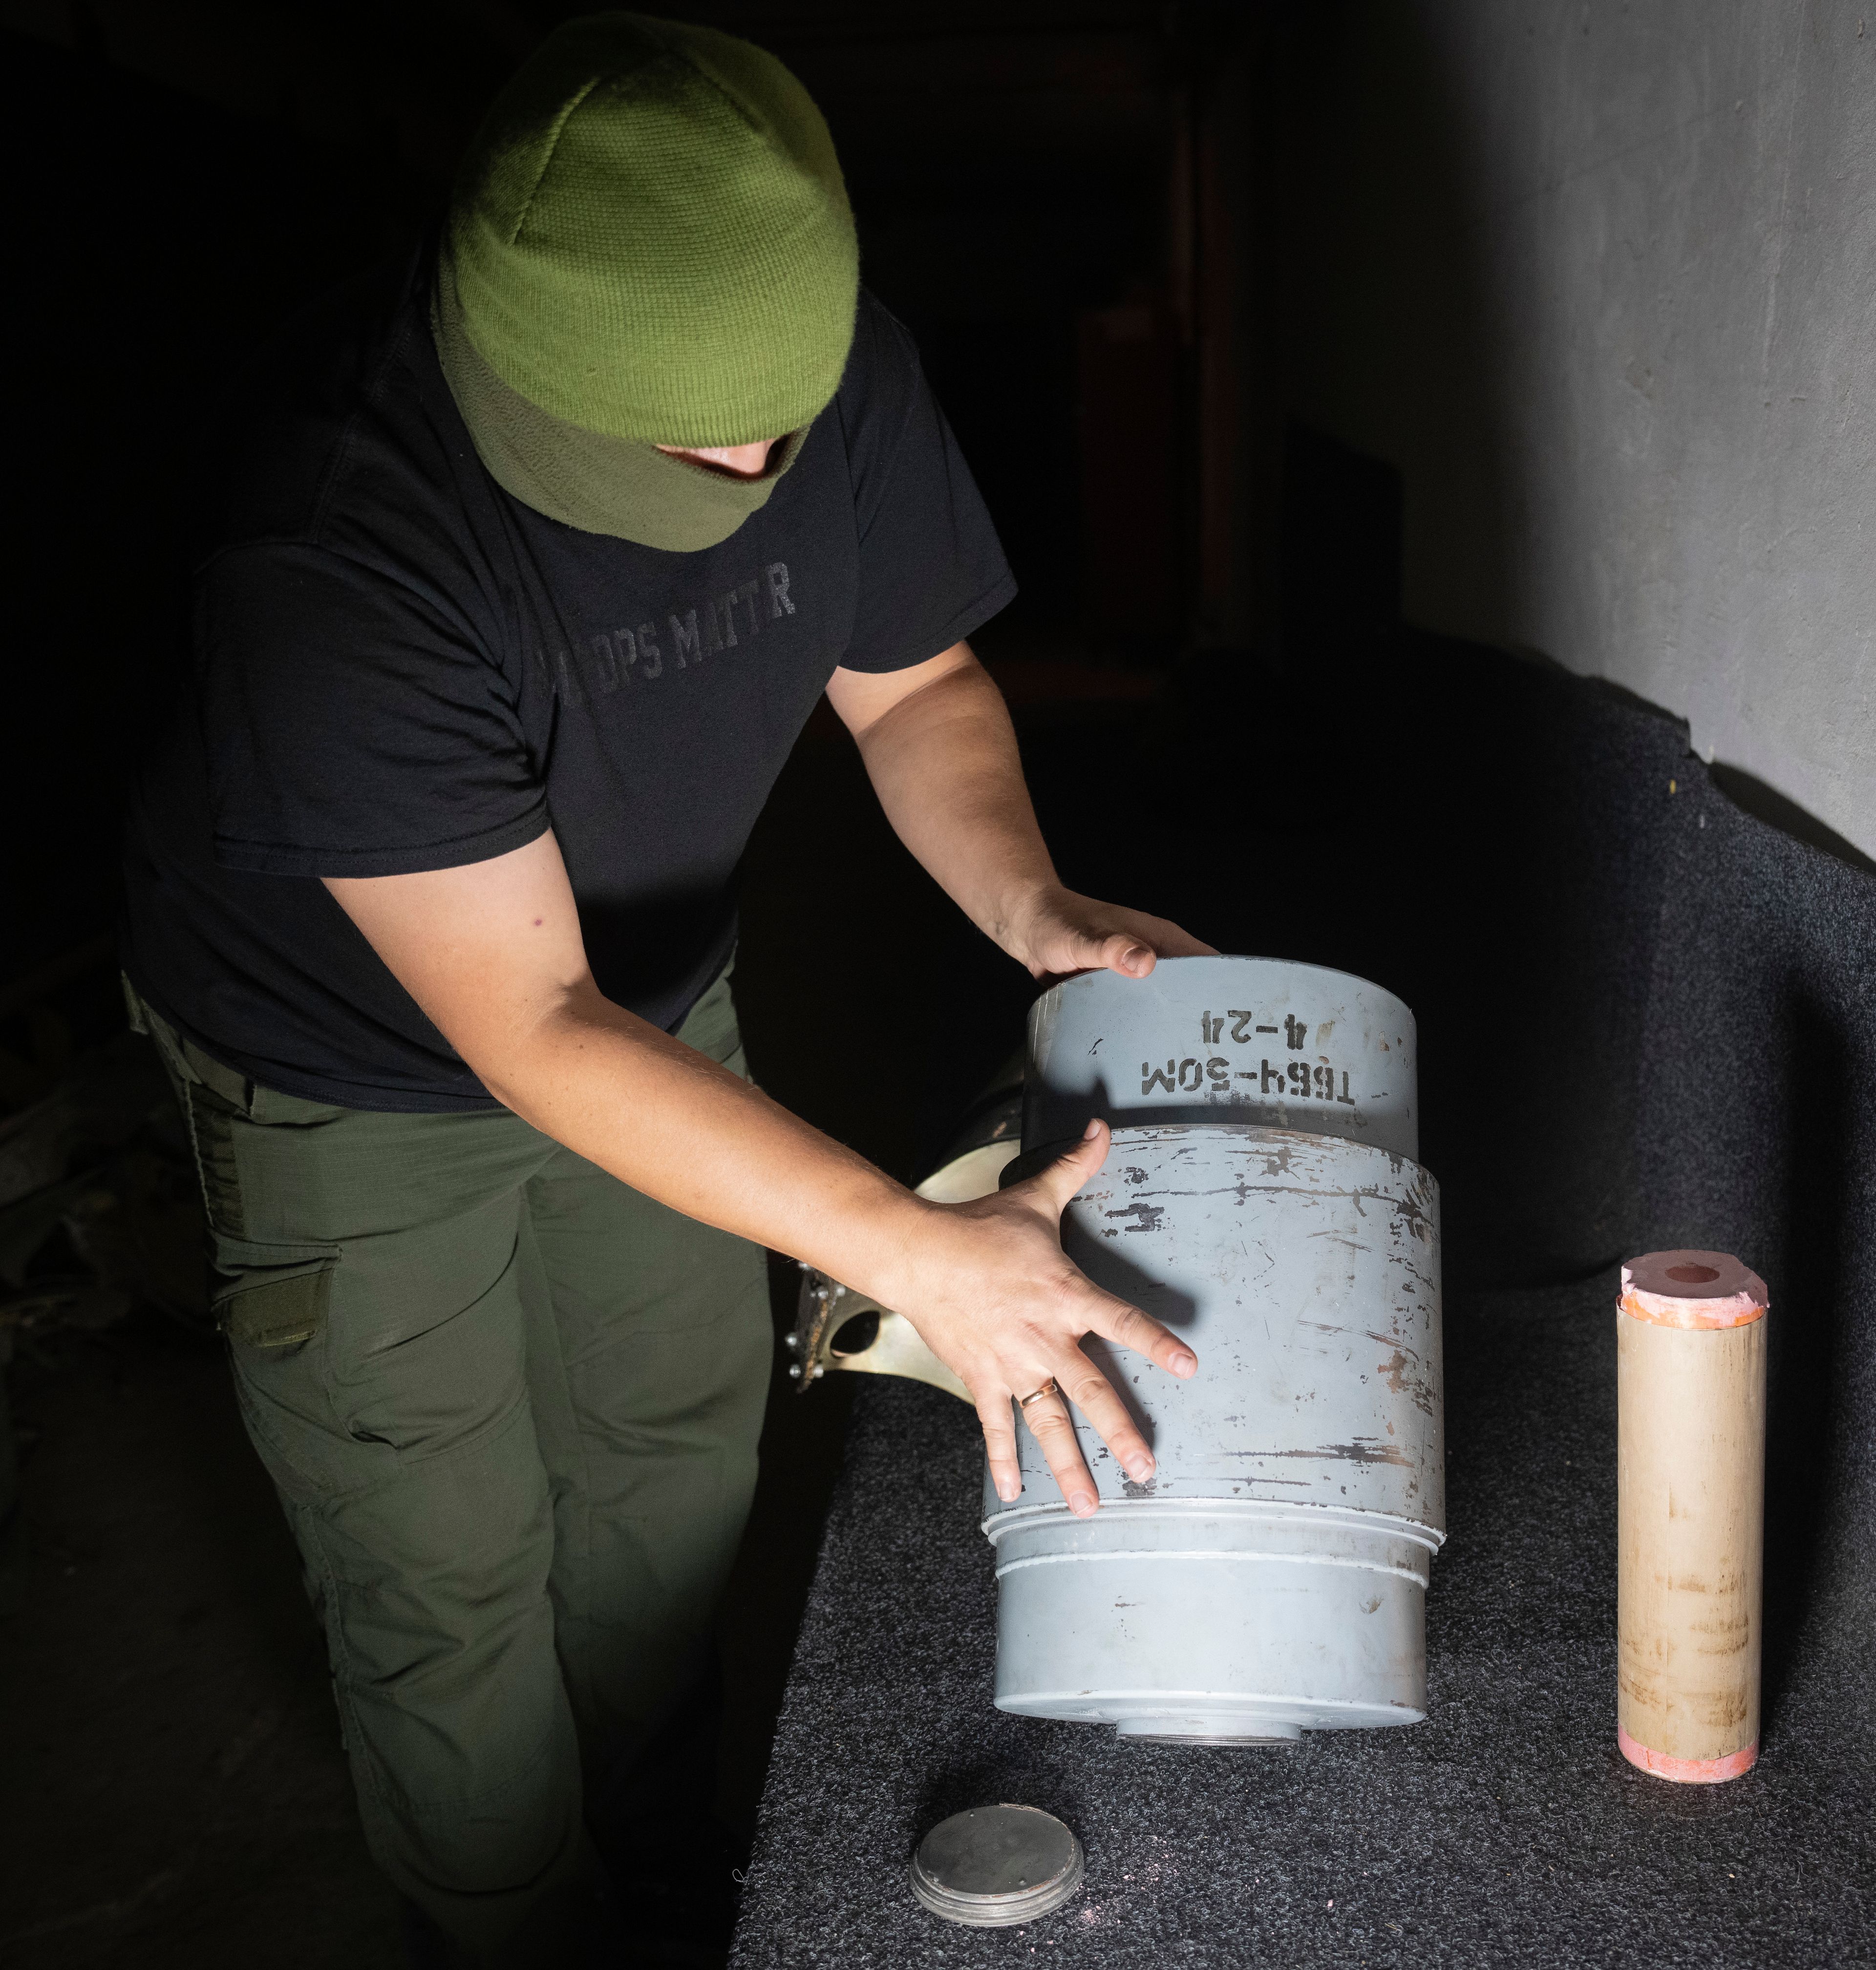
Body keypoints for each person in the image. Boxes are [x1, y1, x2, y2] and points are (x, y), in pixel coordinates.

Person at [119, 12, 1210, 1964]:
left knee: (674, 1476)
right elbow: (529, 1026)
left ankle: (673, 1876)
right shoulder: (343, 545)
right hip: (350, 1077)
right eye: (698, 441)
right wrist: (916, 1249)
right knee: (448, 1571)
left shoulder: (823, 366)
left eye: (781, 419)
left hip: (661, 991)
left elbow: (921, 685)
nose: (756, 461)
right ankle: (517, 1930)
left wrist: (1036, 906)